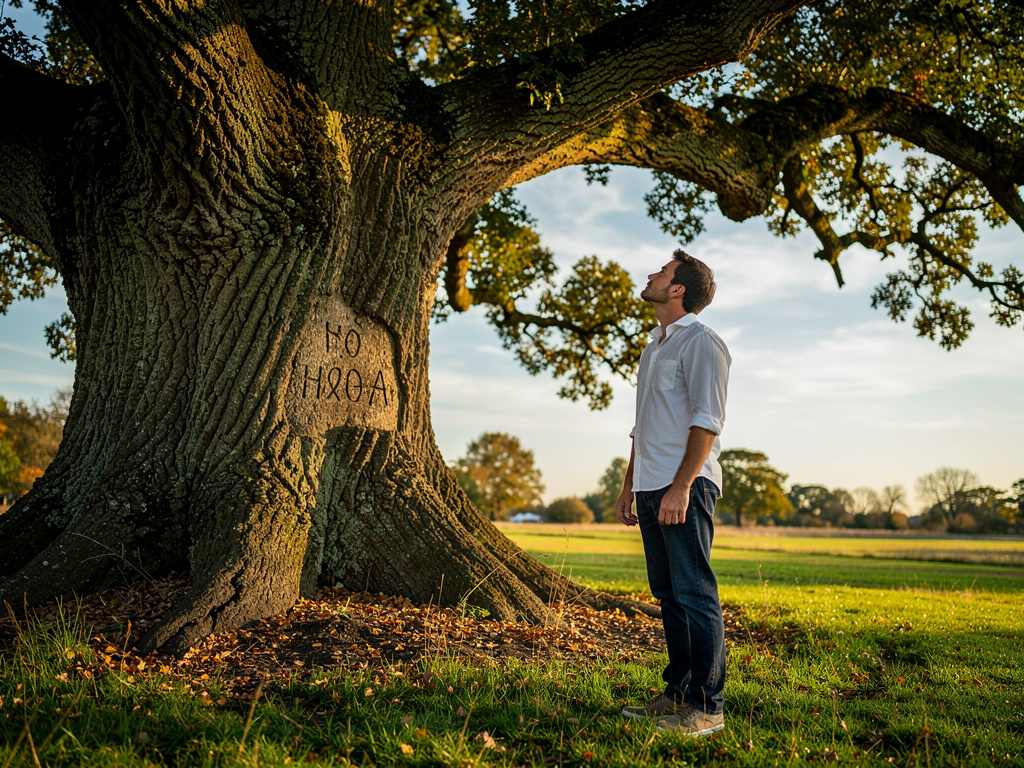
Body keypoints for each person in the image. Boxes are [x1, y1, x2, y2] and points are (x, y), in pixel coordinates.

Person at [616, 249, 731, 736]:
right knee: (668, 594)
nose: (650, 275)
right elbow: (643, 426)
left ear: (679, 288)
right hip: (649, 484)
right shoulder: (653, 346)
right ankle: (678, 693)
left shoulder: (702, 343)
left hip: (684, 485)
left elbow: (707, 421)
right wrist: (629, 484)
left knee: (694, 591)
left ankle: (707, 706)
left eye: (660, 272)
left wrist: (681, 486)